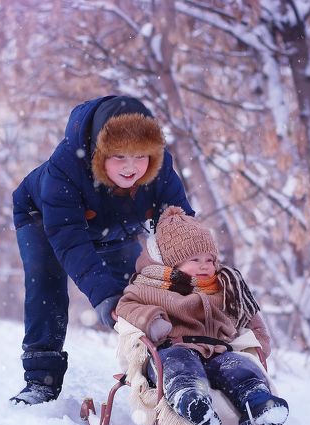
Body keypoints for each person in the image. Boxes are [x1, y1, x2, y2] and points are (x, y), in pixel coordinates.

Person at [10, 96, 193, 405]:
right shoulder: (63, 170)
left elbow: (179, 227)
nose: (131, 168)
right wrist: (105, 297)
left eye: (139, 157)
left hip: (115, 226)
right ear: (99, 152)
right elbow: (71, 242)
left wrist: (193, 276)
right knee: (47, 283)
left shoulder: (160, 168)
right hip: (44, 219)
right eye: (119, 156)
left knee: (140, 293)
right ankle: (42, 379)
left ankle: (170, 371)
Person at [116, 207, 289, 425]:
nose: (205, 265)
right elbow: (126, 306)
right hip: (174, 348)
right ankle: (193, 403)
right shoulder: (151, 287)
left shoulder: (226, 287)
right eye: (194, 259)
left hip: (218, 352)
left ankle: (258, 404)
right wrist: (152, 320)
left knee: (240, 368)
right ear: (171, 264)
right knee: (180, 366)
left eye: (209, 259)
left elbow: (249, 315)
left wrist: (259, 340)